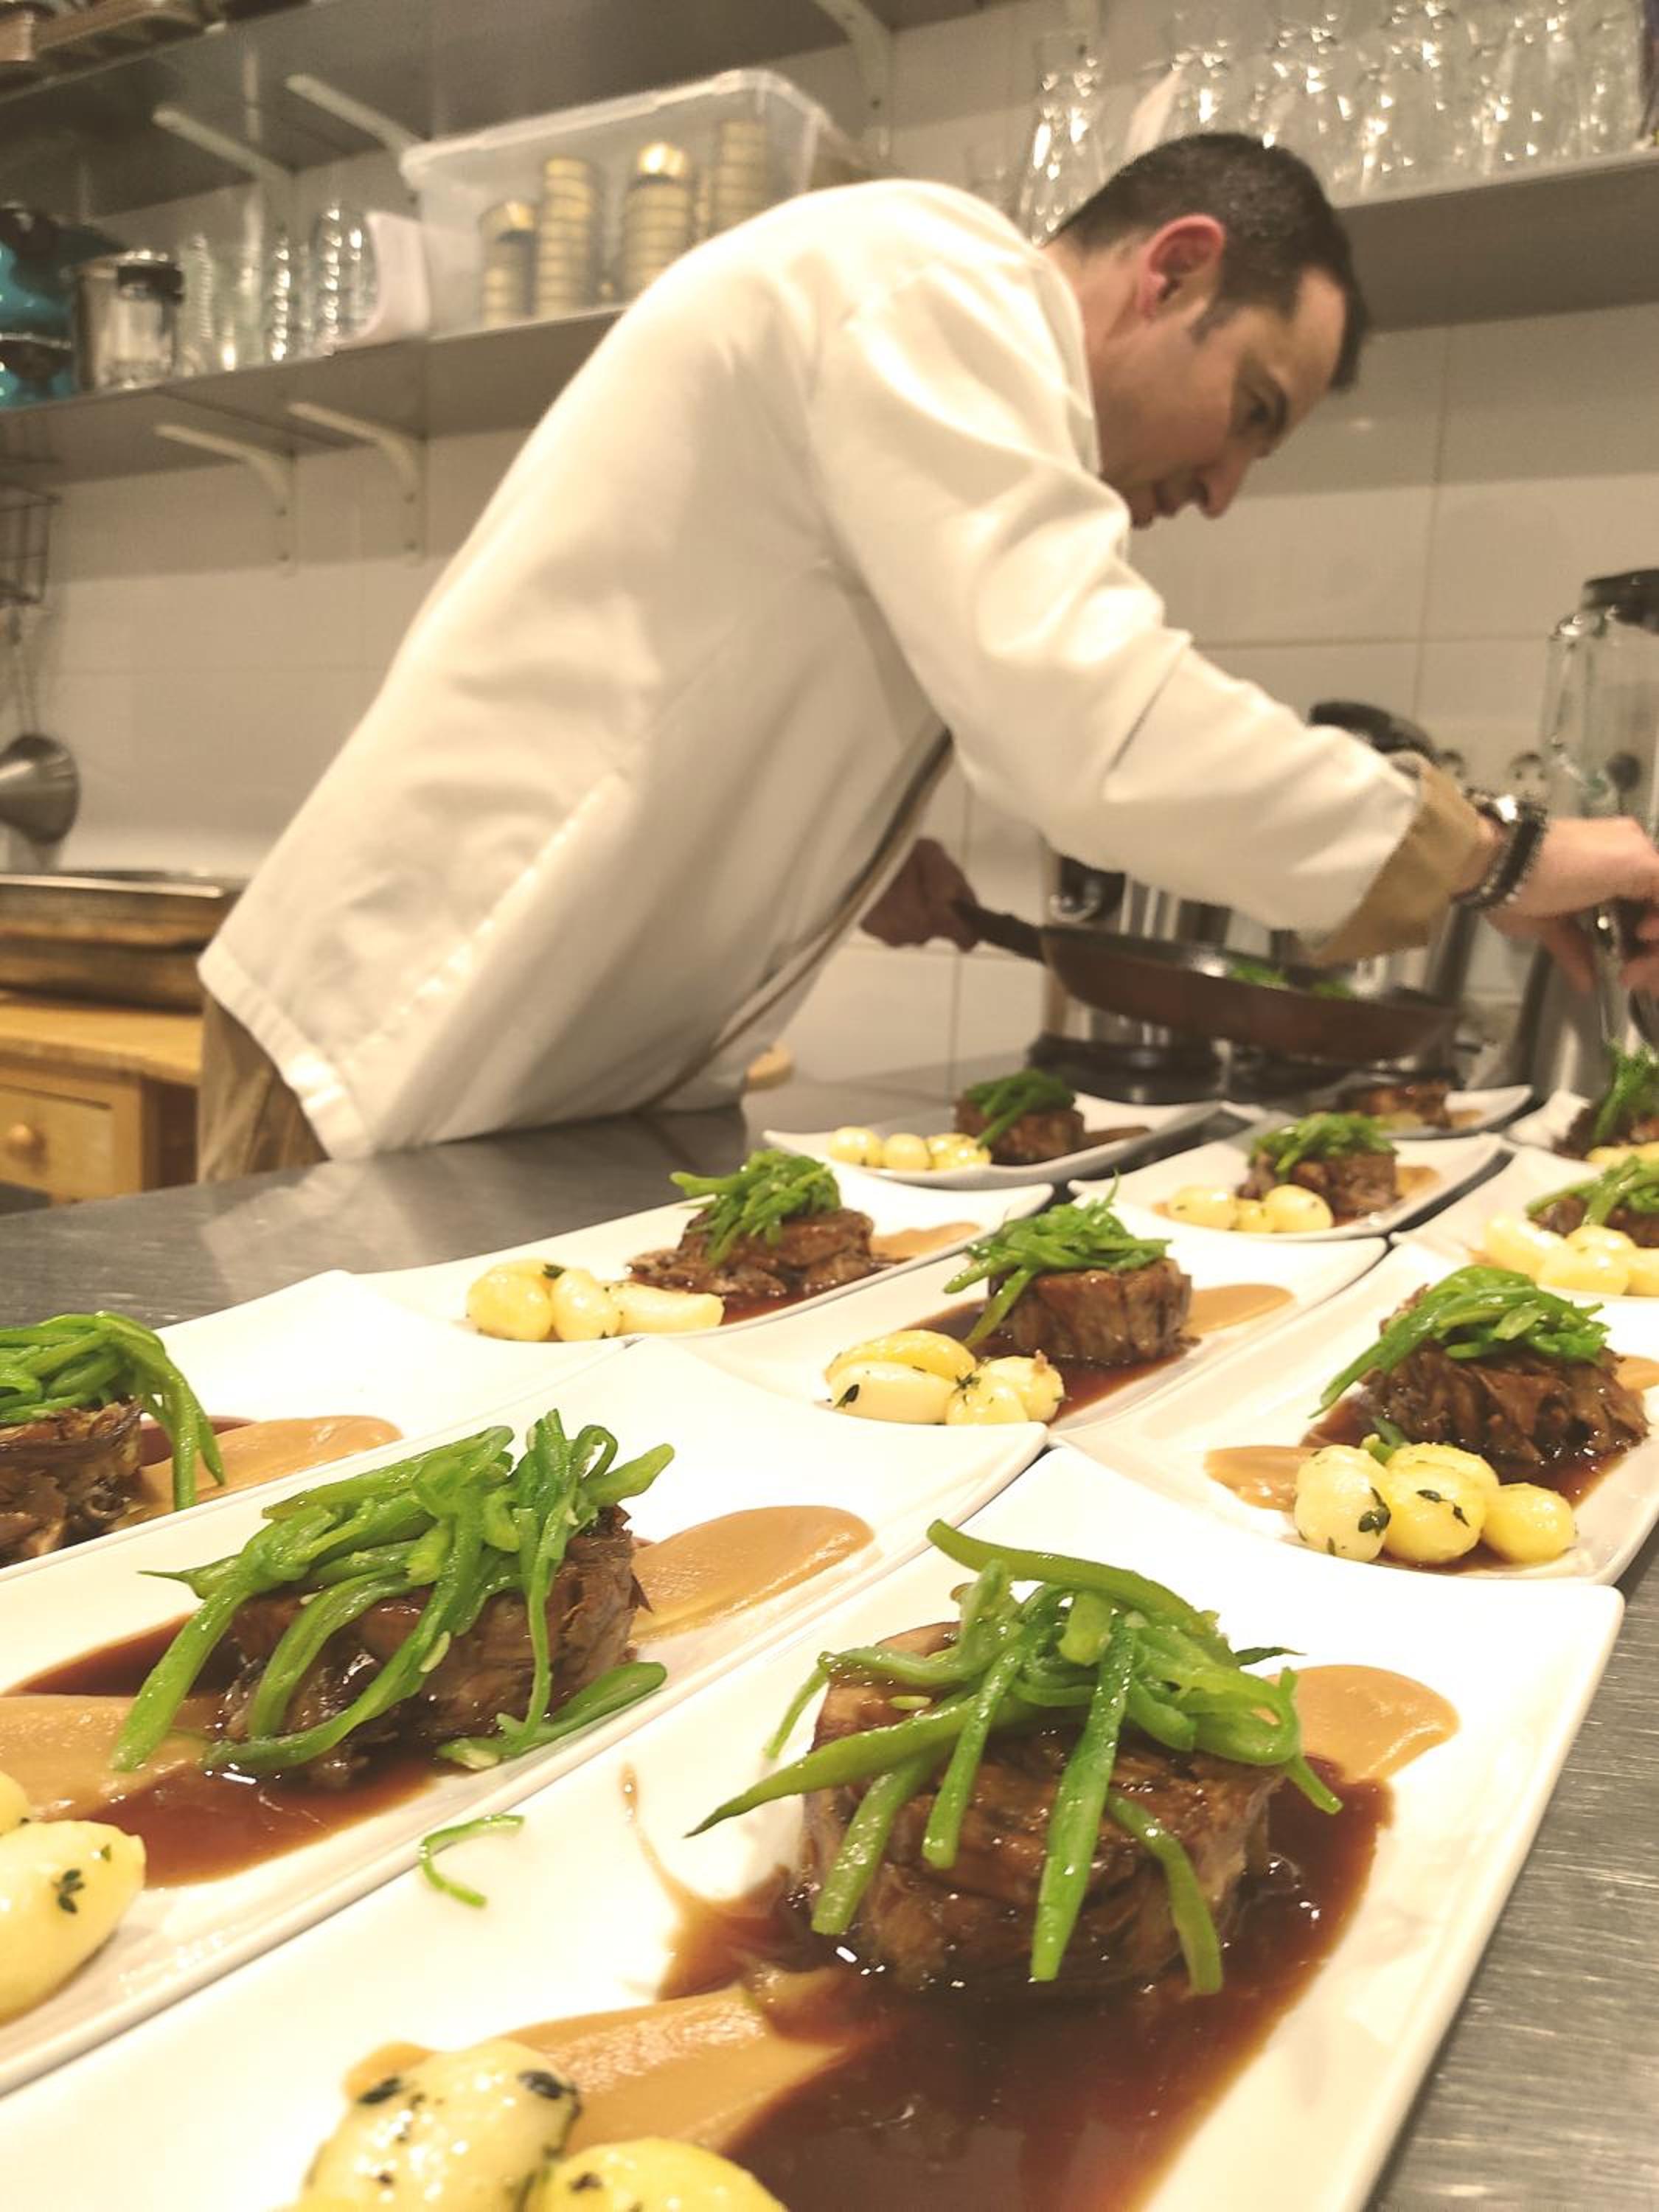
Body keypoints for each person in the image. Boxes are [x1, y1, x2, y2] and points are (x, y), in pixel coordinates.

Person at [197, 134, 1659, 1178]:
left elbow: (732, 646)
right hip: (391, 1039)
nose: (1223, 489)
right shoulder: (926, 282)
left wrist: (840, 840)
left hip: (545, 1086)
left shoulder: (931, 341)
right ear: (1174, 270)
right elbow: (1095, 730)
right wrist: (1500, 851)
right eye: (1253, 412)